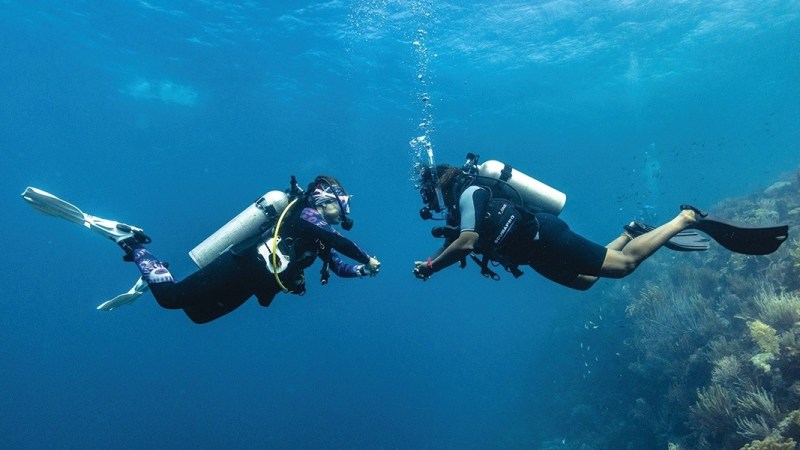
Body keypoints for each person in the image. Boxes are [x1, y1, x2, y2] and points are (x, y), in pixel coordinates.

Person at [23, 176, 380, 324]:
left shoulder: (318, 236)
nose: (345, 207)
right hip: (242, 267)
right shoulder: (304, 213)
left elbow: (336, 264)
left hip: (257, 283)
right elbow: (340, 243)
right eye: (342, 200)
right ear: (324, 197)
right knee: (171, 298)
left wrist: (360, 271)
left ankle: (154, 269)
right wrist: (366, 257)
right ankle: (130, 242)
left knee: (198, 315)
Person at [411, 161, 787, 290]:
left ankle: (684, 217)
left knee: (619, 268)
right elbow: (461, 242)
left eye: (429, 193)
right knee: (585, 282)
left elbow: (466, 242)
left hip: (544, 236)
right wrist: (432, 259)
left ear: (440, 185)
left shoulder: (470, 191)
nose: (431, 202)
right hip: (533, 254)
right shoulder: (462, 207)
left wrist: (430, 267)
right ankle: (631, 232)